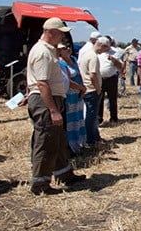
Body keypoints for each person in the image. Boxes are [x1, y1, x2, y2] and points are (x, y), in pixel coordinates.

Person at [26, 17, 85, 195]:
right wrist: (53, 110)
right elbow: (42, 84)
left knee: (58, 139)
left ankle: (64, 174)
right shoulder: (42, 52)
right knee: (45, 141)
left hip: (52, 99)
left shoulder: (48, 50)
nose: (63, 38)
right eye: (60, 34)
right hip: (46, 102)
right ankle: (40, 184)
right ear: (51, 32)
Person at [57, 44, 87, 154]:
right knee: (70, 121)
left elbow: (79, 75)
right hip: (69, 96)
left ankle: (80, 144)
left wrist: (83, 89)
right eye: (65, 48)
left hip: (78, 95)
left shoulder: (74, 59)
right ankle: (71, 147)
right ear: (59, 51)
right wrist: (81, 88)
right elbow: (67, 81)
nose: (68, 49)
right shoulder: (60, 63)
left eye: (69, 47)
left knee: (78, 119)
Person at [78, 37, 104, 147]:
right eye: (105, 48)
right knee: (91, 116)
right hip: (92, 89)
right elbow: (93, 75)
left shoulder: (86, 53)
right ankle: (90, 140)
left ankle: (95, 137)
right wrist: (98, 88)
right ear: (101, 45)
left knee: (91, 115)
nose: (104, 51)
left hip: (87, 88)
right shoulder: (93, 56)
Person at [98, 36, 123, 125]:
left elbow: (120, 66)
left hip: (111, 78)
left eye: (107, 45)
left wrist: (113, 59)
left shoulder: (115, 52)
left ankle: (113, 118)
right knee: (99, 99)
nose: (106, 47)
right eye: (104, 45)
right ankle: (99, 118)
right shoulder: (97, 52)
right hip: (100, 79)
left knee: (112, 99)